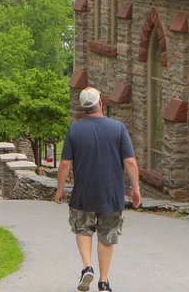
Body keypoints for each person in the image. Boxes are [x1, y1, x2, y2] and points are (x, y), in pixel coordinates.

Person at [54, 87, 140, 292]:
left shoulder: (74, 130)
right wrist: (135, 188)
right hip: (111, 195)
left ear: (84, 107)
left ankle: (87, 267)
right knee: (106, 236)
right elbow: (130, 162)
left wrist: (59, 189)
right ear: (100, 102)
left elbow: (65, 163)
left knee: (83, 229)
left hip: (83, 194)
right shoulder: (118, 128)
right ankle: (104, 281)